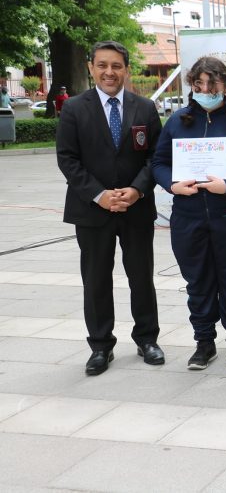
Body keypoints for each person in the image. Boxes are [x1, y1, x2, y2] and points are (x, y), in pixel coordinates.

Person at [56, 40, 164, 375]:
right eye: (102, 65)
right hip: (92, 211)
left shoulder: (144, 108)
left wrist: (136, 190)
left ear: (126, 70)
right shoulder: (74, 108)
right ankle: (101, 346)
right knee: (96, 279)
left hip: (136, 209)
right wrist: (100, 195)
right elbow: (68, 159)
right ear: (91, 68)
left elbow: (156, 157)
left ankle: (147, 338)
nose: (109, 72)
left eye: (116, 66)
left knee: (141, 276)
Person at [152, 57, 226, 370]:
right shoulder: (178, 120)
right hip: (188, 217)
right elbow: (158, 163)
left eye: (211, 84)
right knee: (197, 283)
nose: (204, 90)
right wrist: (173, 185)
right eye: (198, 84)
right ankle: (204, 342)